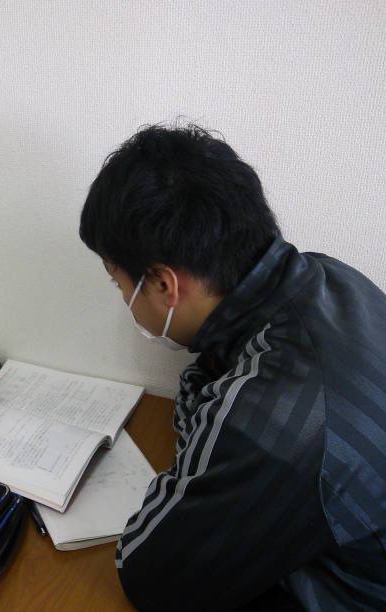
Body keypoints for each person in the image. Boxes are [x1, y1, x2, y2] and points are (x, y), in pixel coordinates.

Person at [79, 124, 386, 611]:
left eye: (118, 283)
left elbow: (150, 574)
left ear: (163, 284)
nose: (123, 298)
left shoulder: (271, 418)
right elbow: (205, 385)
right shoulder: (326, 277)